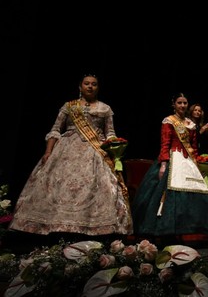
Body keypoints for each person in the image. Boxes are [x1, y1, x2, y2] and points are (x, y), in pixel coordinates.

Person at [9, 74, 133, 240]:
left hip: (95, 150)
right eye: (87, 83)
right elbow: (55, 130)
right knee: (57, 185)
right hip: (65, 150)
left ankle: (90, 227)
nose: (90, 86)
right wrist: (48, 152)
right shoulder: (69, 106)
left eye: (94, 84)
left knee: (95, 186)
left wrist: (114, 147)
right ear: (80, 87)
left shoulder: (105, 108)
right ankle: (53, 226)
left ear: (98, 87)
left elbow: (109, 133)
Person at [130, 93, 208, 244]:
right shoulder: (169, 121)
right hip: (173, 159)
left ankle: (189, 228)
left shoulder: (190, 123)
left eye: (185, 103)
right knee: (168, 193)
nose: (182, 105)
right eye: (179, 103)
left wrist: (198, 163)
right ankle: (165, 229)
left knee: (195, 192)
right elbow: (165, 144)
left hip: (188, 161)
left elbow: (194, 147)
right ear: (174, 105)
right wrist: (164, 164)